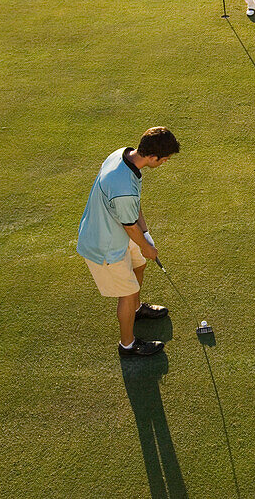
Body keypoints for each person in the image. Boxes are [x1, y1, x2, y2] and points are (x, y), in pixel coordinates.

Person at [78, 127, 181, 357]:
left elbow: (133, 211)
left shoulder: (124, 156)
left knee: (139, 264)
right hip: (105, 244)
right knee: (127, 290)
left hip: (118, 230)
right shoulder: (124, 188)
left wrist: (146, 234)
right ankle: (127, 344)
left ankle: (136, 309)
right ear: (153, 157)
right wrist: (147, 246)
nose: (165, 162)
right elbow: (129, 224)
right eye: (164, 159)